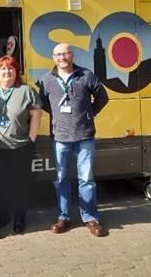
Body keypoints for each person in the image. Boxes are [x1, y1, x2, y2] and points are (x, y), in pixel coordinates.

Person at [39, 43, 109, 237]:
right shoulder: (47, 80)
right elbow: (43, 103)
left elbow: (103, 97)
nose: (62, 57)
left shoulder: (86, 75)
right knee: (61, 179)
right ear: (53, 57)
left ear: (72, 55)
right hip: (60, 138)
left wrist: (89, 114)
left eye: (66, 53)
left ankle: (90, 217)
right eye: (58, 54)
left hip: (84, 135)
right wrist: (58, 118)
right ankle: (64, 217)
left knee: (86, 179)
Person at [0, 55, 42, 234]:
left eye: (11, 68)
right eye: (3, 68)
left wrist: (31, 139)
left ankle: (19, 218)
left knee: (20, 184)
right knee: (0, 184)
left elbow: (36, 114)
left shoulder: (25, 90)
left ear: (16, 72)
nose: (7, 71)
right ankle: (4, 214)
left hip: (20, 147)